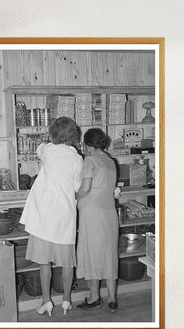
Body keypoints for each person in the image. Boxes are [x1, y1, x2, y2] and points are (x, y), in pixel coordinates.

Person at [19, 117, 83, 317]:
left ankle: (46, 301)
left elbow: (40, 148)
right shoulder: (77, 159)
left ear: (53, 134)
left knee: (44, 262)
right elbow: (77, 188)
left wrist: (48, 141)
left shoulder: (47, 151)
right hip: (64, 216)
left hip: (44, 216)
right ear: (74, 136)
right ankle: (66, 300)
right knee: (66, 263)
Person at [76, 128, 120, 313]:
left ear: (88, 145)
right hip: (109, 212)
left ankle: (94, 297)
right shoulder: (110, 161)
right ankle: (112, 299)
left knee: (92, 253)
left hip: (92, 212)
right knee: (109, 253)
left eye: (84, 146)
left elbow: (85, 188)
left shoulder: (90, 160)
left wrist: (74, 196)